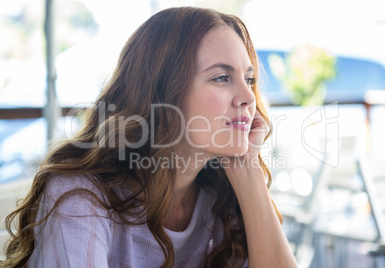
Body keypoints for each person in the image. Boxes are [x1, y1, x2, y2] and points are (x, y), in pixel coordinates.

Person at [3, 7, 298, 268]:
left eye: (249, 78)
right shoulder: (81, 195)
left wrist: (248, 171)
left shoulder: (220, 193)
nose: (248, 96)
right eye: (221, 77)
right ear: (163, 93)